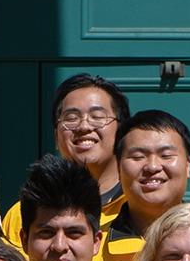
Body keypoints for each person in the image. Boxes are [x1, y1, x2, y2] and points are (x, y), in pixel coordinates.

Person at [93, 112, 190, 261]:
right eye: (138, 157)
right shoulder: (92, 246)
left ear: (187, 165)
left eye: (166, 155)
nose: (152, 167)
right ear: (118, 168)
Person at [41, 71, 131, 213]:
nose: (84, 127)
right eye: (71, 118)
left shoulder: (140, 208)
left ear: (122, 133)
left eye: (97, 116)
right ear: (57, 138)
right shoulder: (26, 213)